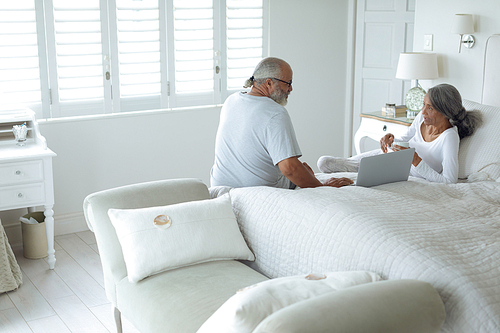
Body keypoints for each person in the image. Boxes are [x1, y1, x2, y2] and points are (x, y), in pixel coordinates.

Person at [210, 57, 353, 189]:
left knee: (303, 170)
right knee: (300, 170)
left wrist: (302, 172)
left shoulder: (232, 100)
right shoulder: (275, 113)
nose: (290, 89)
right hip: (255, 194)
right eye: (288, 83)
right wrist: (322, 187)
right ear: (269, 83)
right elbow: (290, 169)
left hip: (221, 188)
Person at [317, 83, 482, 184]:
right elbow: (405, 138)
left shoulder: (449, 137)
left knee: (335, 168)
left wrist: (416, 161)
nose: (423, 111)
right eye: (424, 104)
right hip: (392, 158)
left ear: (446, 112)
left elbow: (449, 181)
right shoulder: (422, 118)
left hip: (400, 170)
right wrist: (391, 139)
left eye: (430, 107)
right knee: (324, 163)